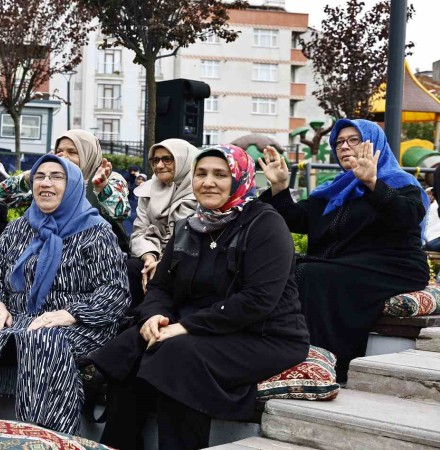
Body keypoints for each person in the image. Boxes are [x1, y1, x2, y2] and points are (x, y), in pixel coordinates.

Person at [91, 145, 309, 450]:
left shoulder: (264, 224)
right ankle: (121, 442)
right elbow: (160, 288)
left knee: (177, 355)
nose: (208, 182)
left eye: (220, 174)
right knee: (131, 345)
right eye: (201, 173)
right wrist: (153, 316)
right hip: (202, 328)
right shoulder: (189, 226)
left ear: (239, 179)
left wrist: (187, 326)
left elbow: (258, 300)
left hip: (265, 335)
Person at [0, 154, 130, 435]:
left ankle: (45, 436)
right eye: (40, 176)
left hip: (81, 323)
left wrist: (71, 314)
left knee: (43, 341)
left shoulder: (96, 232)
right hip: (21, 316)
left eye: (56, 177)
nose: (46, 183)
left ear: (74, 185)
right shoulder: (18, 228)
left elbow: (115, 292)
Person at [259, 119, 429, 382]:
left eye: (354, 140)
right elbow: (297, 219)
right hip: (345, 265)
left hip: (395, 266)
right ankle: (279, 351)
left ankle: (328, 361)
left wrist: (372, 183)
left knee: (312, 275)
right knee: (287, 269)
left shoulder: (399, 181)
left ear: (375, 145)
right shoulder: (334, 188)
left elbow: (407, 217)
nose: (344, 147)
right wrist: (280, 187)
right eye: (339, 142)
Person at [0, 129, 131, 251]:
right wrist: (31, 175)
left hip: (100, 250)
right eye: (59, 151)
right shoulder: (50, 182)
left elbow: (121, 213)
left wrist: (102, 188)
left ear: (88, 154)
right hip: (51, 249)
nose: (63, 156)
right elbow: (1, 196)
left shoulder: (109, 178)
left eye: (72, 152)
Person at [128, 139, 199, 307]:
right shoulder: (148, 189)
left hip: (184, 260)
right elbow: (139, 231)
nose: (159, 166)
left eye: (167, 159)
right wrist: (149, 258)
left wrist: (163, 263)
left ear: (184, 160)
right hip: (151, 255)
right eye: (155, 160)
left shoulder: (202, 189)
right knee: (131, 268)